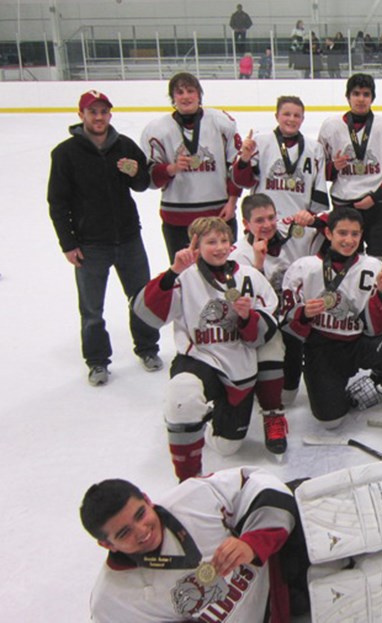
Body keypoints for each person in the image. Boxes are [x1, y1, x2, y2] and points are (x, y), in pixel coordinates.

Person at [133, 217, 281, 481]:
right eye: (211, 242)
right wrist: (171, 273)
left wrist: (248, 318)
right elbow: (146, 315)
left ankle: (208, 416)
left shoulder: (250, 277)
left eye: (224, 240)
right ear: (196, 245)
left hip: (239, 368)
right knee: (183, 395)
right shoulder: (184, 277)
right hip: (199, 359)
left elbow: (264, 332)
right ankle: (189, 480)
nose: (220, 247)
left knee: (228, 446)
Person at [81, 467, 306, 622]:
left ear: (147, 500)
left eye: (141, 514)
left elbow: (262, 484)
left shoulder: (195, 496)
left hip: (282, 568)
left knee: (312, 503)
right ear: (107, 545)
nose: (142, 532)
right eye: (124, 533)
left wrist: (253, 542)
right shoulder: (112, 601)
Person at [48, 89, 162, 386]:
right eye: (92, 112)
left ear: (110, 115)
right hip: (90, 244)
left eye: (103, 112)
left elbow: (142, 184)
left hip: (127, 239)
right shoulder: (65, 154)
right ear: (81, 115)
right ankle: (98, 361)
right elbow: (57, 202)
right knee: (91, 308)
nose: (98, 117)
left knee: (141, 299)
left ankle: (148, 348)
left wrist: (137, 172)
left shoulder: (124, 145)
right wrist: (69, 244)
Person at [281, 208, 382, 441]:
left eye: (355, 234)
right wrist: (303, 314)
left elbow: (380, 328)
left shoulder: (373, 267)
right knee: (330, 422)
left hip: (360, 342)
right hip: (322, 347)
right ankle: (348, 390)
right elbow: (288, 327)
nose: (349, 240)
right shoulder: (303, 268)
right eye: (342, 233)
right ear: (328, 233)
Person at [229, 194, 324, 425]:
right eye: (259, 220)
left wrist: (312, 220)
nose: (268, 225)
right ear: (245, 224)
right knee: (280, 394)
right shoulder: (238, 255)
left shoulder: (290, 229)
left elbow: (334, 225)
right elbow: (251, 308)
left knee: (289, 396)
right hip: (262, 325)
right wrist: (258, 266)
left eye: (271, 217)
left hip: (297, 318)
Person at [141, 72, 242, 263]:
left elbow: (235, 167)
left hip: (219, 214)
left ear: (199, 95)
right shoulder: (157, 129)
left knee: (225, 274)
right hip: (177, 219)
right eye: (179, 92)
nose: (186, 96)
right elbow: (149, 179)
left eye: (190, 91)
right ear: (173, 98)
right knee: (184, 277)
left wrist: (232, 202)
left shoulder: (221, 122)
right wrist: (171, 169)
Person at [317, 74, 382, 259]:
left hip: (379, 207)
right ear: (348, 97)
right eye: (356, 94)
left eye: (366, 94)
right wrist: (334, 167)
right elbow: (318, 171)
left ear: (372, 98)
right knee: (345, 261)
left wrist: (375, 197)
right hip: (344, 205)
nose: (360, 99)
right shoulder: (330, 126)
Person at [232, 95, 329, 221]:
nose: (291, 119)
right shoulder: (260, 142)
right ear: (276, 116)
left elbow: (319, 190)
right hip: (265, 222)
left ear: (303, 119)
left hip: (298, 224)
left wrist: (308, 216)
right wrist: (244, 159)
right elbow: (243, 182)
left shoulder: (315, 149)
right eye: (286, 114)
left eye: (296, 115)